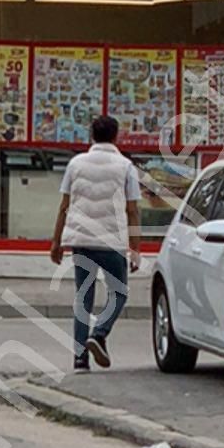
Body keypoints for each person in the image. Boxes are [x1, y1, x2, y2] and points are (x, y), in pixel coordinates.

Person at [49, 113, 140, 372]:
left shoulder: (76, 164)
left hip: (82, 240)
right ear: (116, 136)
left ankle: (80, 359)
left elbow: (64, 206)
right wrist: (136, 247)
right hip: (112, 242)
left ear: (91, 136)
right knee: (119, 293)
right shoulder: (126, 167)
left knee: (83, 299)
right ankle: (98, 334)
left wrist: (56, 242)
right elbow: (133, 210)